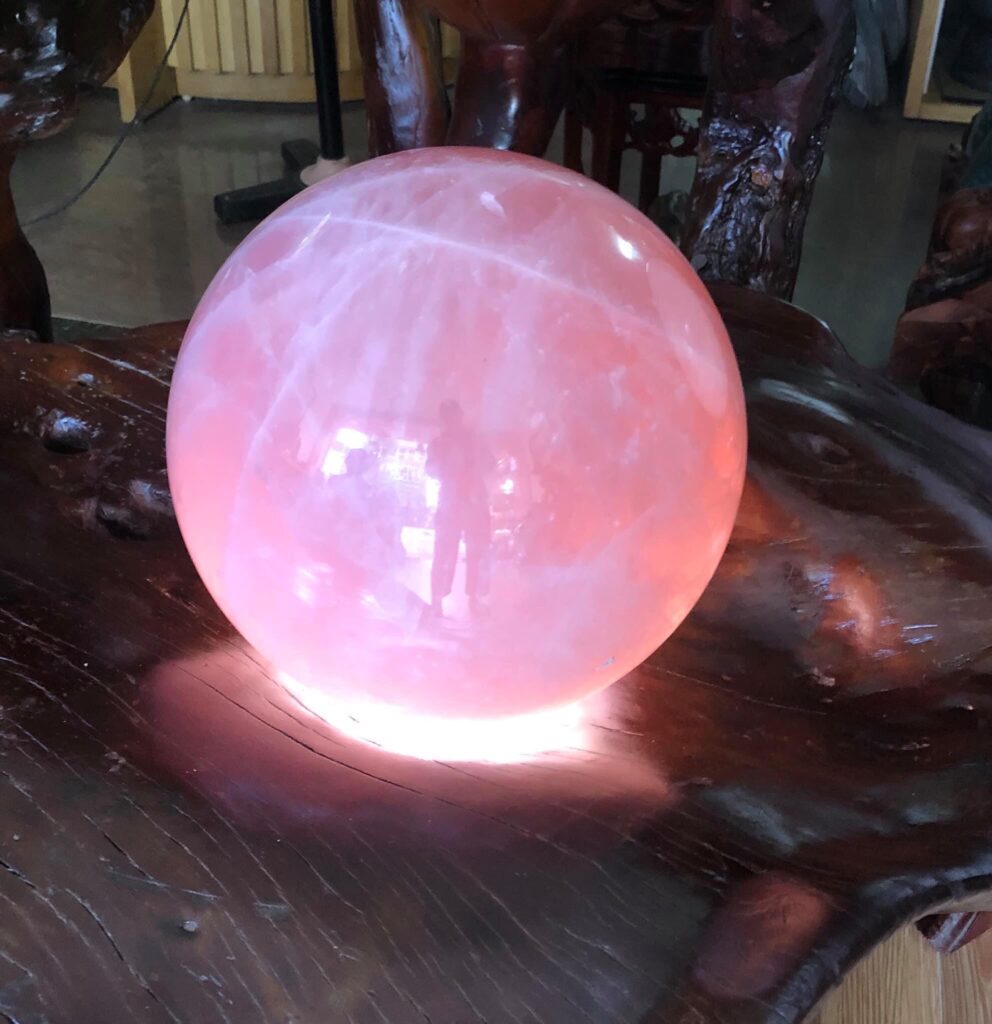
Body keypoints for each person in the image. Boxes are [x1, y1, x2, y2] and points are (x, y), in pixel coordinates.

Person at [426, 400, 494, 616]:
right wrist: (447, 467)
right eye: (448, 417)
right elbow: (430, 469)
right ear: (443, 420)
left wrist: (474, 466)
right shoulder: (438, 443)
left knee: (478, 551)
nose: (452, 420)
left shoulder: (476, 440)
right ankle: (437, 600)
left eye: (454, 415)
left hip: (474, 502)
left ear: (460, 416)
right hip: (451, 502)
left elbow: (491, 463)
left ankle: (474, 598)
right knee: (444, 551)